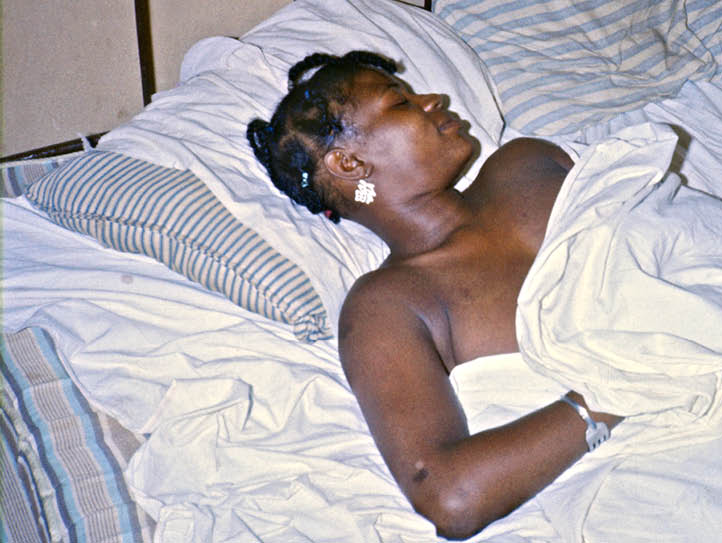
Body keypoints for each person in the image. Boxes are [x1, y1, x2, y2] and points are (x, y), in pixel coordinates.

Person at [247, 51, 623, 540]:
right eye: (401, 102)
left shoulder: (530, 163)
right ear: (349, 162)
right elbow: (450, 496)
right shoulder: (390, 305)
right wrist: (619, 385)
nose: (434, 100)